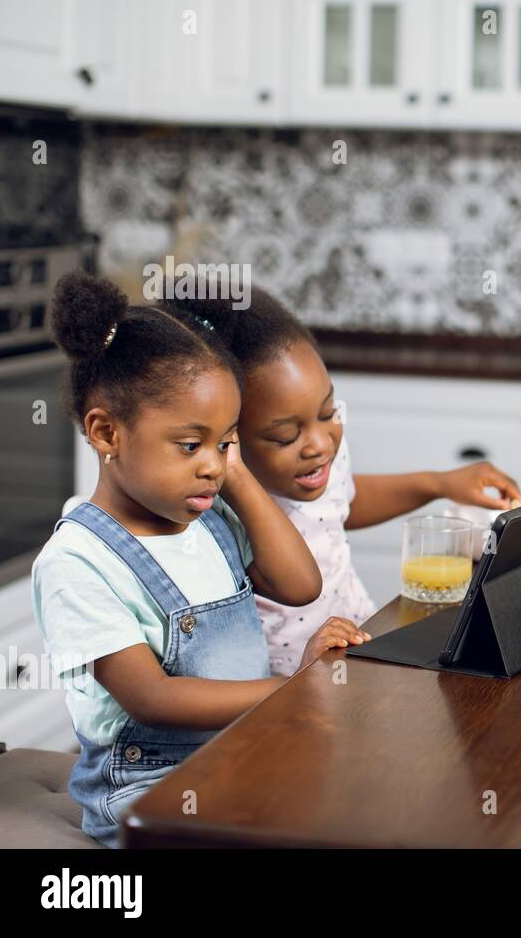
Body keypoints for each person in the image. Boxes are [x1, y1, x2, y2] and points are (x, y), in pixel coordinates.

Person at [33, 272, 366, 846]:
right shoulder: (78, 562)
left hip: (239, 754)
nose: (212, 464)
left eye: (227, 441)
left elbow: (299, 582)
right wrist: (297, 687)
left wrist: (231, 471)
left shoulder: (208, 521)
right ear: (106, 432)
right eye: (192, 445)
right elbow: (154, 699)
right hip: (147, 794)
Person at [169, 289, 521, 675]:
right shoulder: (218, 507)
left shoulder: (318, 459)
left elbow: (341, 506)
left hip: (358, 641)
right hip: (283, 683)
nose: (320, 444)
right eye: (286, 436)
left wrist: (438, 483)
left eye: (327, 412)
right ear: (229, 436)